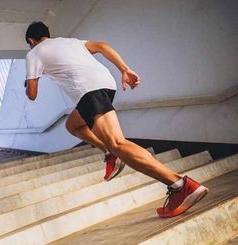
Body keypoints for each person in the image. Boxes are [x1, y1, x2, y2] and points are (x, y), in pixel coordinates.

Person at [23, 21, 209, 218]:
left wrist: (29, 81)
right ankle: (109, 152)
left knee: (117, 142)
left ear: (31, 40)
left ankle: (180, 185)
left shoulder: (33, 53)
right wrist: (124, 69)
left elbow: (32, 94)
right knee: (73, 124)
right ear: (47, 34)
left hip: (87, 91)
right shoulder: (69, 42)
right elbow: (103, 46)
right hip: (105, 84)